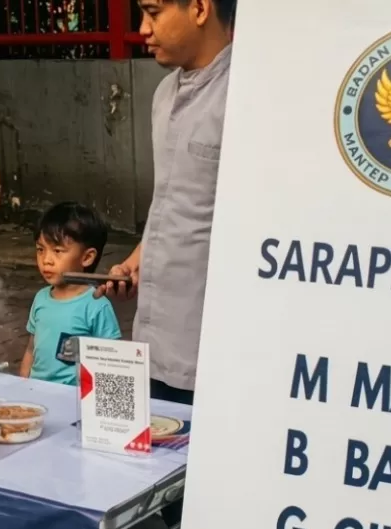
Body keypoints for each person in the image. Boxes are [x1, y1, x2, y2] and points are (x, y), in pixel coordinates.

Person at [97, 0, 234, 406]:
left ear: (199, 8)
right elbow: (175, 204)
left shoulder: (245, 97)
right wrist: (138, 261)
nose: (142, 28)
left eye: (153, 12)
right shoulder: (164, 94)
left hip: (211, 347)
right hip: (153, 337)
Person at [20, 202, 121, 385]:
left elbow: (112, 363)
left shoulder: (96, 304)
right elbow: (30, 350)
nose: (46, 260)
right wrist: (22, 386)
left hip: (74, 402)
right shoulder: (41, 298)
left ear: (87, 257)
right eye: (40, 249)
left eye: (57, 251)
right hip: (37, 394)